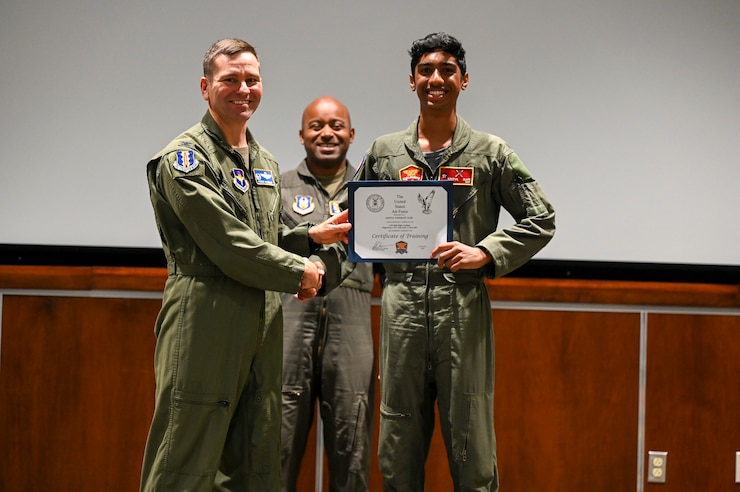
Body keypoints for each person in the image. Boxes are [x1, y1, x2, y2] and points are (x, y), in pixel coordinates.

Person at [140, 38, 352, 492]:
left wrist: (309, 237)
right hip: (205, 314)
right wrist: (300, 270)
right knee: (185, 456)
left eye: (251, 79)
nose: (243, 89)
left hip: (262, 316)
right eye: (230, 79)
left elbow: (262, 236)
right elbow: (227, 244)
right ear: (206, 87)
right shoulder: (184, 159)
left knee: (257, 456)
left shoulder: (264, 161)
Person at [351, 32, 556, 491]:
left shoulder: (491, 152)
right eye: (426, 71)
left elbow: (541, 217)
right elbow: (350, 220)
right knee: (397, 442)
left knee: (472, 443)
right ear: (412, 81)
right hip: (402, 308)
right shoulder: (384, 152)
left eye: (447, 70)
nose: (436, 79)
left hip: (462, 308)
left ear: (464, 80)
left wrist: (485, 253)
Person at [279, 96, 376, 492]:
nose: (327, 133)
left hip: (352, 324)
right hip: (288, 320)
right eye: (316, 126)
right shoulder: (278, 187)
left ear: (351, 134)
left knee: (352, 442)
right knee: (278, 440)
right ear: (301, 135)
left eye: (336, 125)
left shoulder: (371, 192)